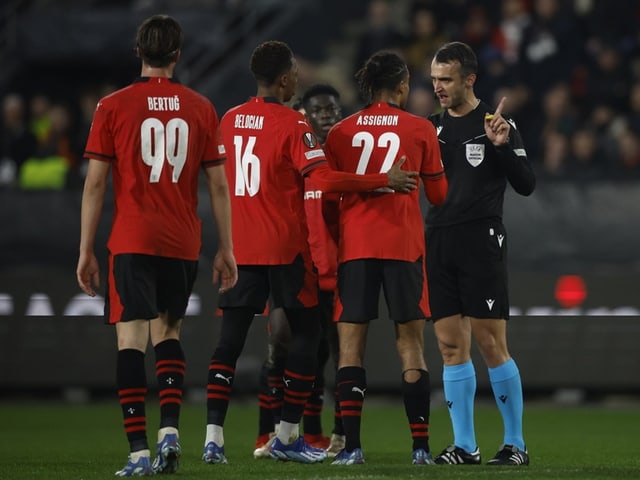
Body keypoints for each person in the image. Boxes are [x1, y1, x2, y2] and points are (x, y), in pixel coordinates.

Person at [202, 40, 418, 465]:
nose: (297, 80)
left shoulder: (228, 120)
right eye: (295, 74)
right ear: (284, 79)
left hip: (241, 250)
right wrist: (381, 179)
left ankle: (213, 438)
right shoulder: (292, 125)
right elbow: (325, 180)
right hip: (284, 251)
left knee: (228, 344)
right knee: (308, 336)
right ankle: (285, 434)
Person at [76, 14, 237, 477]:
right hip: (182, 240)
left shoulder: (112, 106)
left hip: (131, 238)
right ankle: (170, 429)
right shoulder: (201, 107)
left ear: (138, 53)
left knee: (130, 340)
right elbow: (219, 187)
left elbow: (95, 185)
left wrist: (86, 249)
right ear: (178, 55)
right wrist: (226, 247)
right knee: (168, 335)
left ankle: (139, 453)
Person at [322, 50, 448, 466]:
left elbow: (326, 187)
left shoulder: (340, 132)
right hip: (403, 246)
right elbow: (439, 195)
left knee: (350, 350)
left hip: (356, 248)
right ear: (400, 86)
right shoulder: (420, 129)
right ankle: (421, 449)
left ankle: (353, 448)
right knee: (411, 347)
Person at [426, 41, 535, 466]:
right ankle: (466, 446)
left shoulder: (496, 124)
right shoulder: (429, 128)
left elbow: (526, 184)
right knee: (450, 347)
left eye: (446, 79)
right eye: (434, 79)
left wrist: (502, 147)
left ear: (469, 79)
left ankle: (516, 445)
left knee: (491, 343)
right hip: (437, 241)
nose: (438, 87)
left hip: (481, 240)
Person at [252, 84, 345, 460]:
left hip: (336, 273)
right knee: (281, 345)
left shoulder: (346, 155)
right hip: (293, 267)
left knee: (329, 353)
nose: (327, 116)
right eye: (319, 110)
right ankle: (267, 431)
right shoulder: (292, 149)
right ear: (304, 115)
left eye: (333, 110)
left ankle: (323, 434)